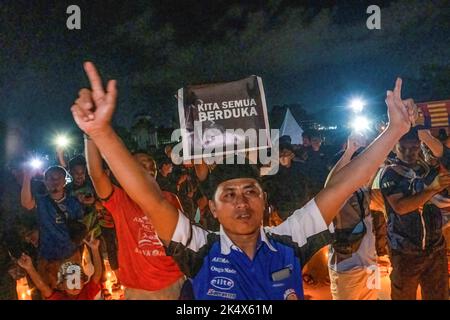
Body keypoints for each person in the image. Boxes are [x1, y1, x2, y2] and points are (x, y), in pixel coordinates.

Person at [70, 61, 415, 299]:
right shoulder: (197, 246)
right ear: (213, 210)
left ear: (264, 200)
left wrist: (394, 131)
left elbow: (343, 185)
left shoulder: (290, 239)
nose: (240, 200)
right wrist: (101, 133)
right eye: (228, 194)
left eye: (250, 191)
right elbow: (149, 198)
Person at [84, 135, 185, 300]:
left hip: (172, 281)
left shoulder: (170, 198)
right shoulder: (119, 199)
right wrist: (90, 135)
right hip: (138, 288)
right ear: (128, 170)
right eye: (141, 165)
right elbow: (96, 175)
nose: (149, 169)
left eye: (152, 166)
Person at [380, 128, 450, 300]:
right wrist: (432, 188)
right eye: (402, 148)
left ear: (420, 146)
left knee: (438, 296)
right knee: (403, 296)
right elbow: (400, 207)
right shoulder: (390, 173)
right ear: (394, 147)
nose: (408, 152)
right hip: (405, 251)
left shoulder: (427, 169)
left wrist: (428, 138)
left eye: (413, 147)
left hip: (436, 248)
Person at [326, 133, 380, 300]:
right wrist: (348, 152)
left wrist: (375, 141)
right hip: (347, 269)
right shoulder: (337, 195)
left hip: (370, 264)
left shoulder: (361, 188)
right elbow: (330, 185)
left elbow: (375, 162)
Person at [21, 165, 84, 288]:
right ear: (45, 182)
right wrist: (27, 176)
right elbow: (26, 203)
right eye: (50, 178)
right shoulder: (41, 201)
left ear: (65, 181)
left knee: (74, 291)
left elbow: (80, 224)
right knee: (50, 293)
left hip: (70, 255)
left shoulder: (73, 202)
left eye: (58, 178)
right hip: (47, 257)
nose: (54, 182)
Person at [17, 233, 102, 300]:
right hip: (69, 249)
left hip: (49, 255)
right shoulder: (87, 294)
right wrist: (95, 250)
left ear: (61, 285)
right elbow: (97, 274)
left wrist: (29, 268)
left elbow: (43, 287)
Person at [263, 141, 312, 220]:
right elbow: (268, 188)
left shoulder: (300, 168)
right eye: (280, 155)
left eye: (285, 154)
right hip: (282, 210)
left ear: (292, 155)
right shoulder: (273, 172)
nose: (283, 157)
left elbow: (307, 185)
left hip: (300, 207)